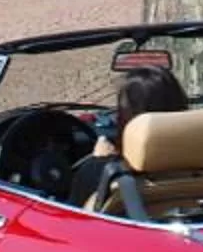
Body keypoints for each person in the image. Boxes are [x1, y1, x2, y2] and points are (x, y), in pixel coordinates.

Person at [68, 62, 188, 207]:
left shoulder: (98, 173)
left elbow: (70, 218)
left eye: (121, 112)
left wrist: (100, 162)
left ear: (125, 121)